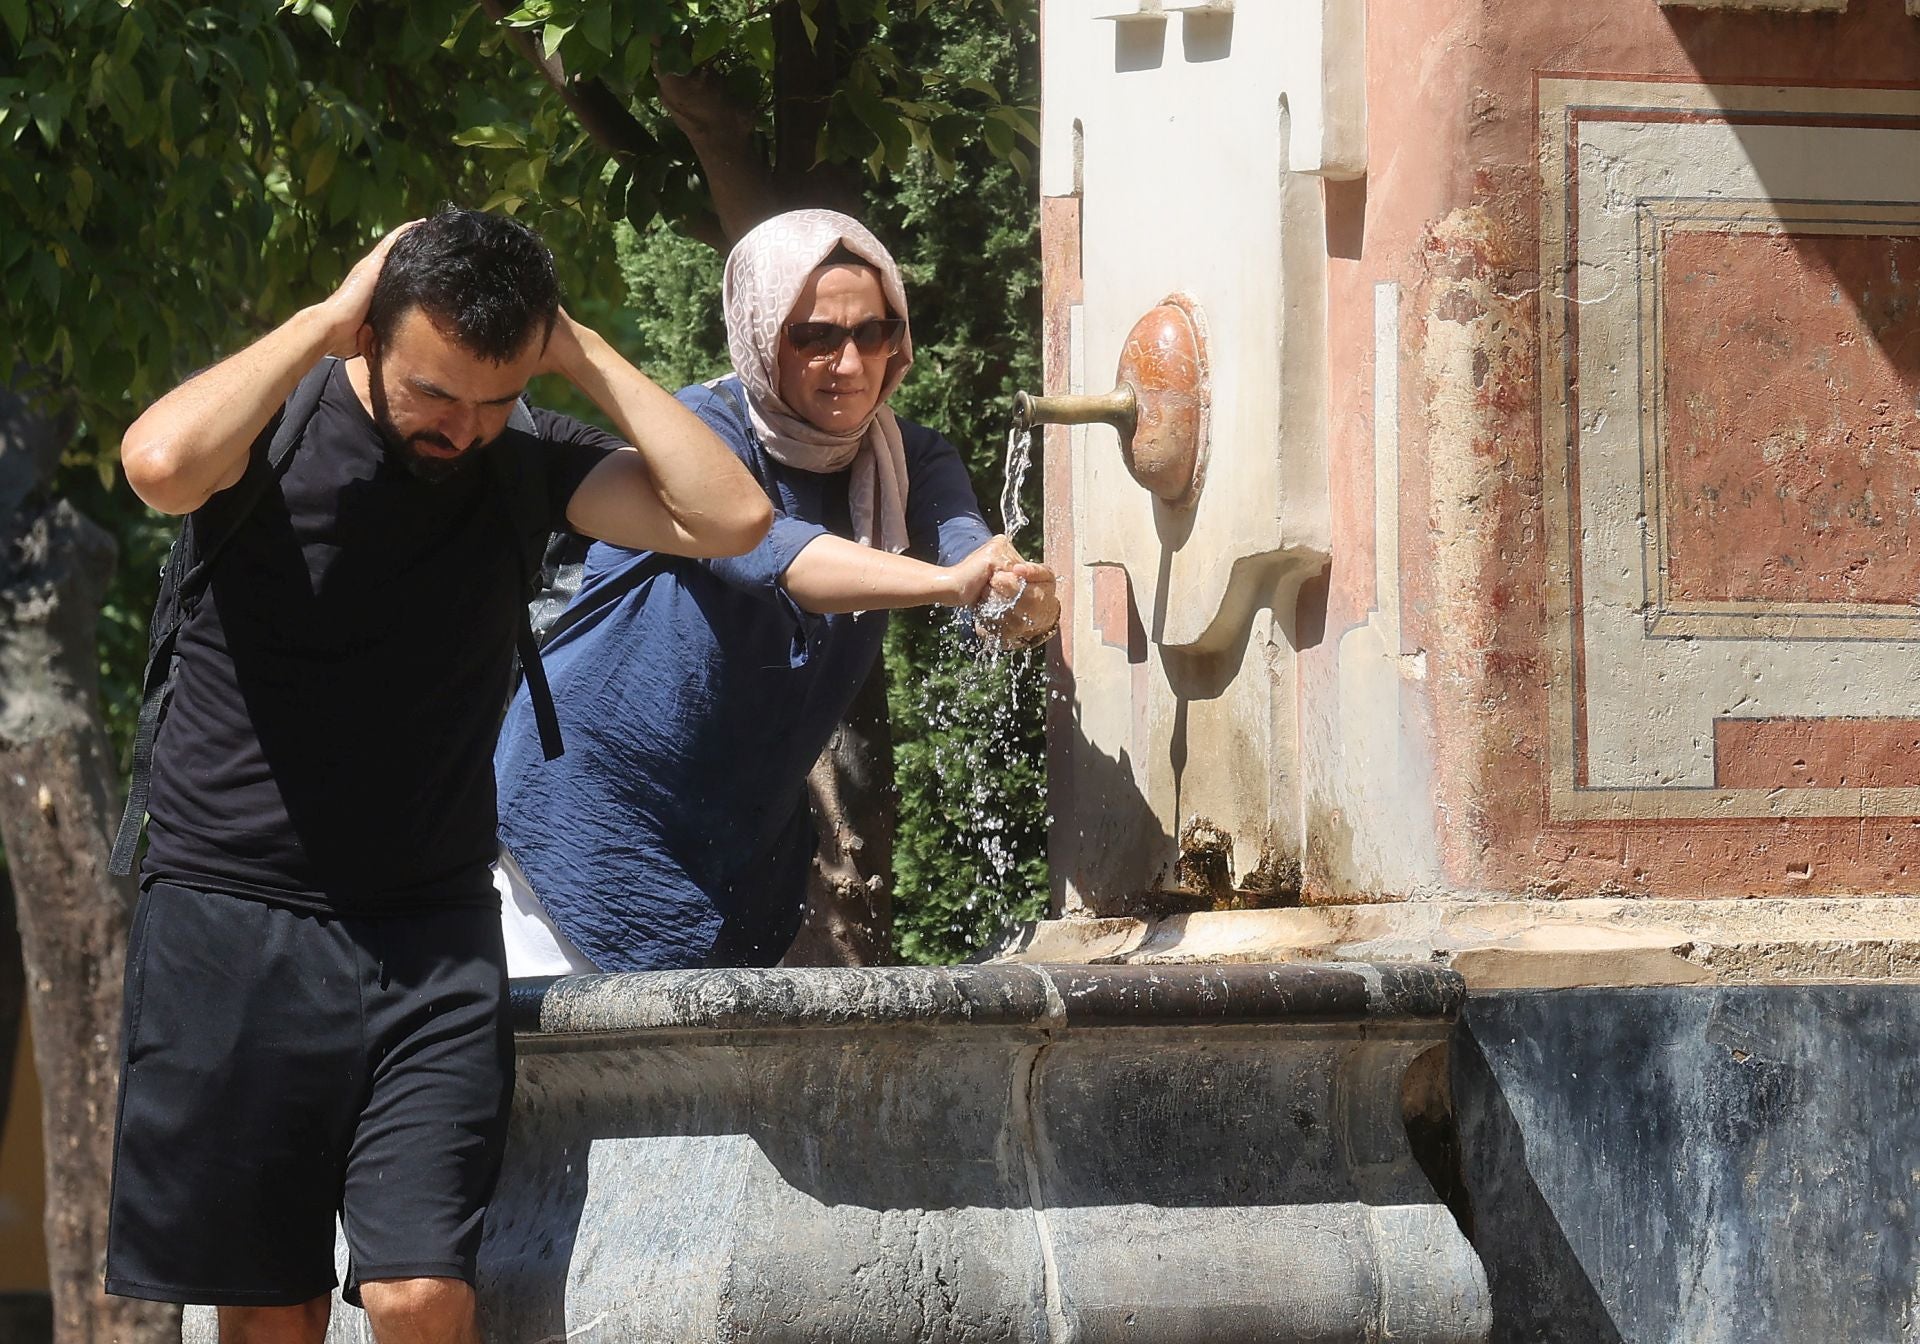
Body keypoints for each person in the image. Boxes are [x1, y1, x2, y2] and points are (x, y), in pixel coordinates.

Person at [105, 208, 771, 1344]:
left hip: (428, 936)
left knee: (421, 1292)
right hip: (232, 915)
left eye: (495, 397)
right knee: (272, 1308)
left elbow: (733, 515)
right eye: (434, 393)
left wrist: (579, 350)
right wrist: (322, 318)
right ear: (371, 335)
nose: (463, 427)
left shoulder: (521, 464)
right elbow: (159, 467)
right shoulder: (267, 430)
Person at [493, 208, 1059, 976]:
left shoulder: (912, 460)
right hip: (576, 827)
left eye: (873, 332)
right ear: (763, 335)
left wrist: (1016, 603)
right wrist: (945, 584)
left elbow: (979, 575)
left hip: (730, 858)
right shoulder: (704, 434)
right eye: (816, 336)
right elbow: (775, 554)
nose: (851, 363)